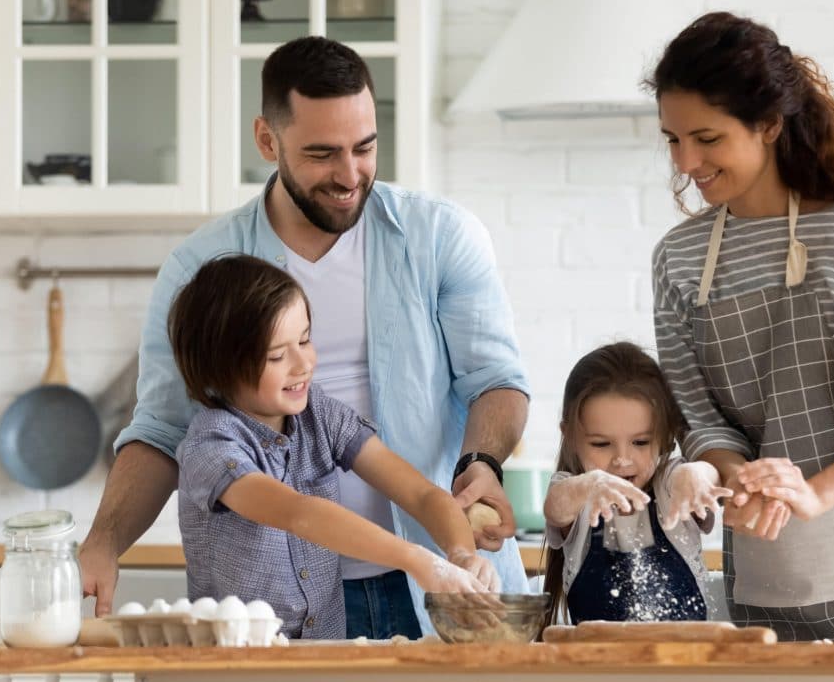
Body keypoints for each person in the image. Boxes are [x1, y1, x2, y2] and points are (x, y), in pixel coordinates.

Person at [79, 36, 531, 638]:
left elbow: (493, 384)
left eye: (365, 147)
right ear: (268, 140)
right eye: (322, 154)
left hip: (439, 594)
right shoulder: (202, 271)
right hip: (285, 612)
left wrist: (469, 505)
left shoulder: (440, 236)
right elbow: (164, 431)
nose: (350, 175)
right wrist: (104, 541)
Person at [648, 12, 834, 641]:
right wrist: (748, 482)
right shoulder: (678, 258)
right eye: (673, 139)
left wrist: (811, 495)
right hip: (764, 554)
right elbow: (699, 419)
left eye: (706, 138)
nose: (687, 161)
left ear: (768, 125)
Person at [168, 255, 498, 638]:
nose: (303, 363)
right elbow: (298, 512)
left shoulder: (319, 415)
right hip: (235, 667)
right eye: (276, 355)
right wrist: (416, 559)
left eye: (305, 339)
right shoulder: (212, 443)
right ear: (220, 366)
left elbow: (422, 494)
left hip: (322, 661)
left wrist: (460, 555)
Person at [542, 342, 730, 625]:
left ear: (666, 436)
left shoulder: (670, 484)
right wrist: (590, 485)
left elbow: (702, 476)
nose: (622, 459)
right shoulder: (578, 493)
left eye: (640, 442)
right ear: (569, 436)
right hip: (597, 662)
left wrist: (697, 474)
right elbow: (556, 506)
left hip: (683, 662)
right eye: (601, 444)